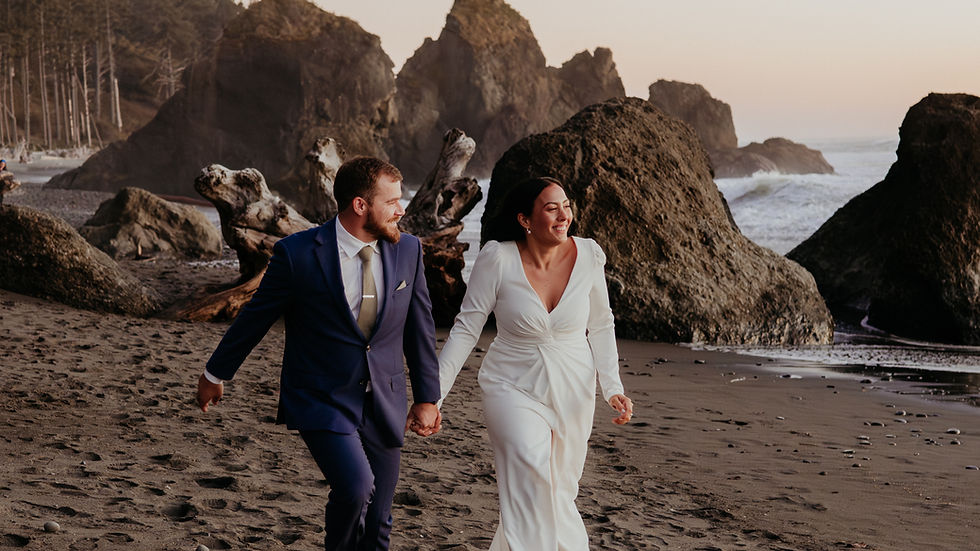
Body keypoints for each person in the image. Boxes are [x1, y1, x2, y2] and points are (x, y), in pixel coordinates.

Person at [196, 156, 442, 550]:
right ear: (360, 205)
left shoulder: (408, 251)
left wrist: (428, 397)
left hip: (385, 397)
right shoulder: (298, 254)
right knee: (357, 488)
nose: (402, 209)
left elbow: (420, 329)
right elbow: (255, 318)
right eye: (392, 201)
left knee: (379, 517)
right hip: (322, 397)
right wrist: (215, 374)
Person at [438, 176, 634, 550]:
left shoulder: (589, 255)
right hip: (511, 385)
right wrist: (435, 396)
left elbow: (602, 324)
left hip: (574, 387)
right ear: (525, 219)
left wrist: (613, 388)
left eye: (567, 205)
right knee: (531, 478)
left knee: (559, 491)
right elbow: (466, 328)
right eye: (551, 208)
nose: (564, 215)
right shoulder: (498, 258)